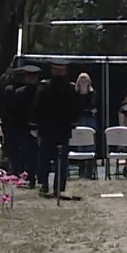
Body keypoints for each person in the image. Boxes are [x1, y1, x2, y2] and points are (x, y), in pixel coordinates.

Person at [32, 59, 77, 197]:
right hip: (47, 128)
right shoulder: (44, 87)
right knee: (45, 158)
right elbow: (37, 108)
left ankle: (58, 186)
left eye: (61, 70)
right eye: (56, 69)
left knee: (61, 159)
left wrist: (71, 124)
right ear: (52, 70)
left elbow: (73, 109)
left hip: (61, 129)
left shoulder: (69, 88)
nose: (58, 72)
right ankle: (44, 184)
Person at [73, 72, 98, 179]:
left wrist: (87, 110)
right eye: (81, 80)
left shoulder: (93, 94)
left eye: (85, 80)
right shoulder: (75, 94)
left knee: (90, 145)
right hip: (79, 120)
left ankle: (90, 172)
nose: (83, 82)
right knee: (80, 146)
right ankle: (81, 171)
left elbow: (94, 108)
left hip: (90, 121)